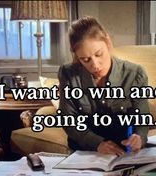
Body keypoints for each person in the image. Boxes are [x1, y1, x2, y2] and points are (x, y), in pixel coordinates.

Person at [58, 16, 149, 156]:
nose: (95, 65)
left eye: (99, 54)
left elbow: (142, 117)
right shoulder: (68, 74)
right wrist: (97, 144)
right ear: (76, 56)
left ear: (108, 42)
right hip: (84, 151)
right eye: (85, 59)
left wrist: (139, 138)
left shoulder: (135, 74)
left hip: (122, 152)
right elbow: (69, 120)